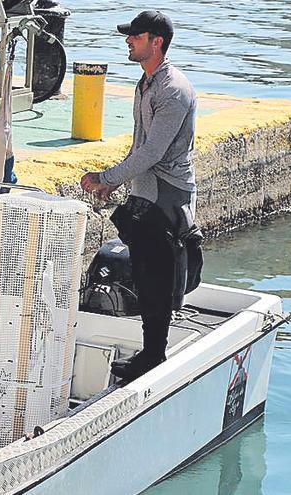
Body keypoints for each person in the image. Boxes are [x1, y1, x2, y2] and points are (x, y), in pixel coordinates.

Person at [80, 10, 199, 382]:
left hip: (167, 198)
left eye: (135, 36)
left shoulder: (172, 90)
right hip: (145, 194)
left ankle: (154, 355)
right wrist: (118, 183)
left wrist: (107, 176)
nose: (128, 41)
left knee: (158, 278)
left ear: (156, 42)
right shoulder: (145, 84)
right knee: (145, 274)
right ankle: (151, 351)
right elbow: (140, 145)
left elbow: (153, 152)